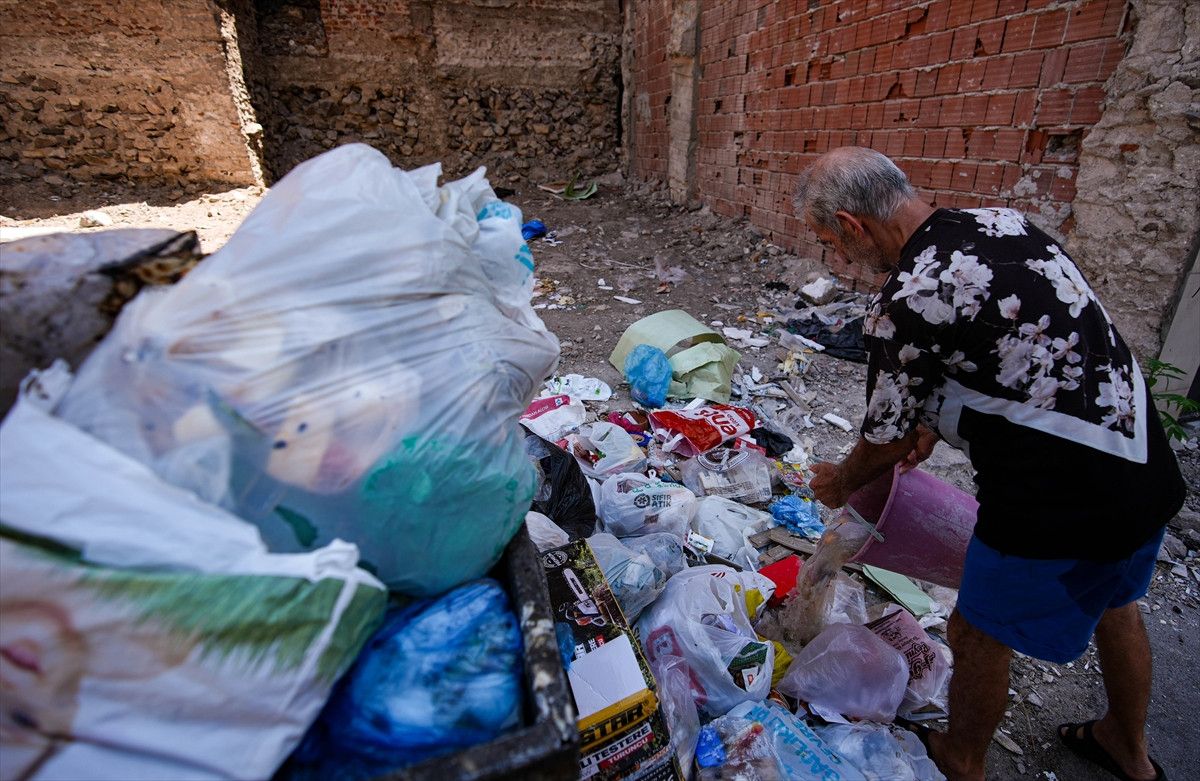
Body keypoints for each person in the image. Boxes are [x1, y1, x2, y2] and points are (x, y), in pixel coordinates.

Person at [798, 147, 1185, 781]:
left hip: (1059, 494)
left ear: (851, 224)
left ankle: (962, 758)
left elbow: (885, 441)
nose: (838, 258)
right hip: (1140, 462)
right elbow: (1012, 348)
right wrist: (930, 421)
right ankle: (1126, 743)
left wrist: (841, 482)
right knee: (1115, 599)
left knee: (975, 631)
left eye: (831, 243)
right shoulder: (1003, 223)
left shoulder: (906, 299)